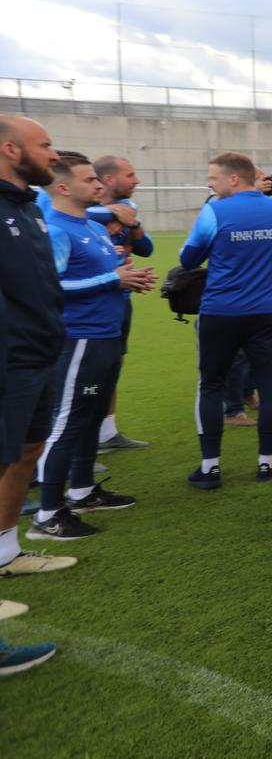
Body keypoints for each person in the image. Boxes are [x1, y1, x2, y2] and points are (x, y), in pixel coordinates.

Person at [29, 153, 154, 540]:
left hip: (106, 335)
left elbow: (107, 272)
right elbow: (51, 286)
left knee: (91, 414)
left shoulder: (95, 227)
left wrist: (127, 277)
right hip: (79, 337)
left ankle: (82, 491)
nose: (99, 186)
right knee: (67, 423)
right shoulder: (56, 229)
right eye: (90, 181)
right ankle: (48, 515)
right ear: (63, 188)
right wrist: (111, 281)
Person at [180, 152, 272, 488]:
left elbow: (188, 258)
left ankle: (210, 467)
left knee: (210, 385)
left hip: (220, 313)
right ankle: (266, 463)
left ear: (233, 179)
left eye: (213, 178)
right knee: (270, 385)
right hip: (265, 313)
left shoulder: (214, 210)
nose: (210, 184)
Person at [0, 116, 78, 593]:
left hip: (40, 349)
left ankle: (6, 551)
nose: (54, 155)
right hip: (9, 356)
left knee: (29, 450)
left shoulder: (28, 206)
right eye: (45, 145)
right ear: (11, 150)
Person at [92, 154, 153, 454]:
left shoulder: (128, 209)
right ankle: (78, 446)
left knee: (112, 364)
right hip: (90, 301)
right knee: (82, 373)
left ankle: (107, 433)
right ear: (108, 180)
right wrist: (106, 214)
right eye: (130, 174)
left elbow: (146, 247)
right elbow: (69, 215)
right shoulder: (82, 212)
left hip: (120, 297)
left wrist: (130, 220)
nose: (137, 180)